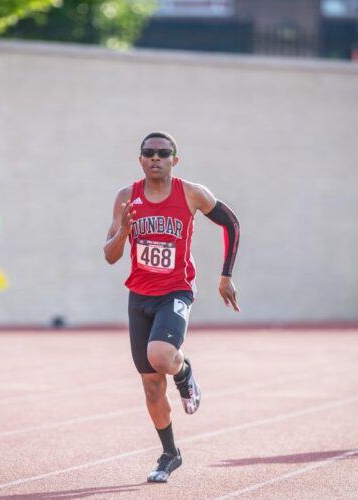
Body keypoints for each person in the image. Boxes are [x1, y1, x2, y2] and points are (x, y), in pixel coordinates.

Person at [104, 131, 240, 482]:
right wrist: (124, 230)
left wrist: (226, 275)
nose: (155, 158)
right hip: (140, 296)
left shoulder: (191, 193)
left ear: (174, 160)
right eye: (149, 152)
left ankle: (184, 372)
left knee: (161, 355)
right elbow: (109, 255)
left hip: (176, 291)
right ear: (140, 159)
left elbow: (232, 224)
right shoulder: (126, 197)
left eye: (163, 153)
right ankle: (169, 454)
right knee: (151, 387)